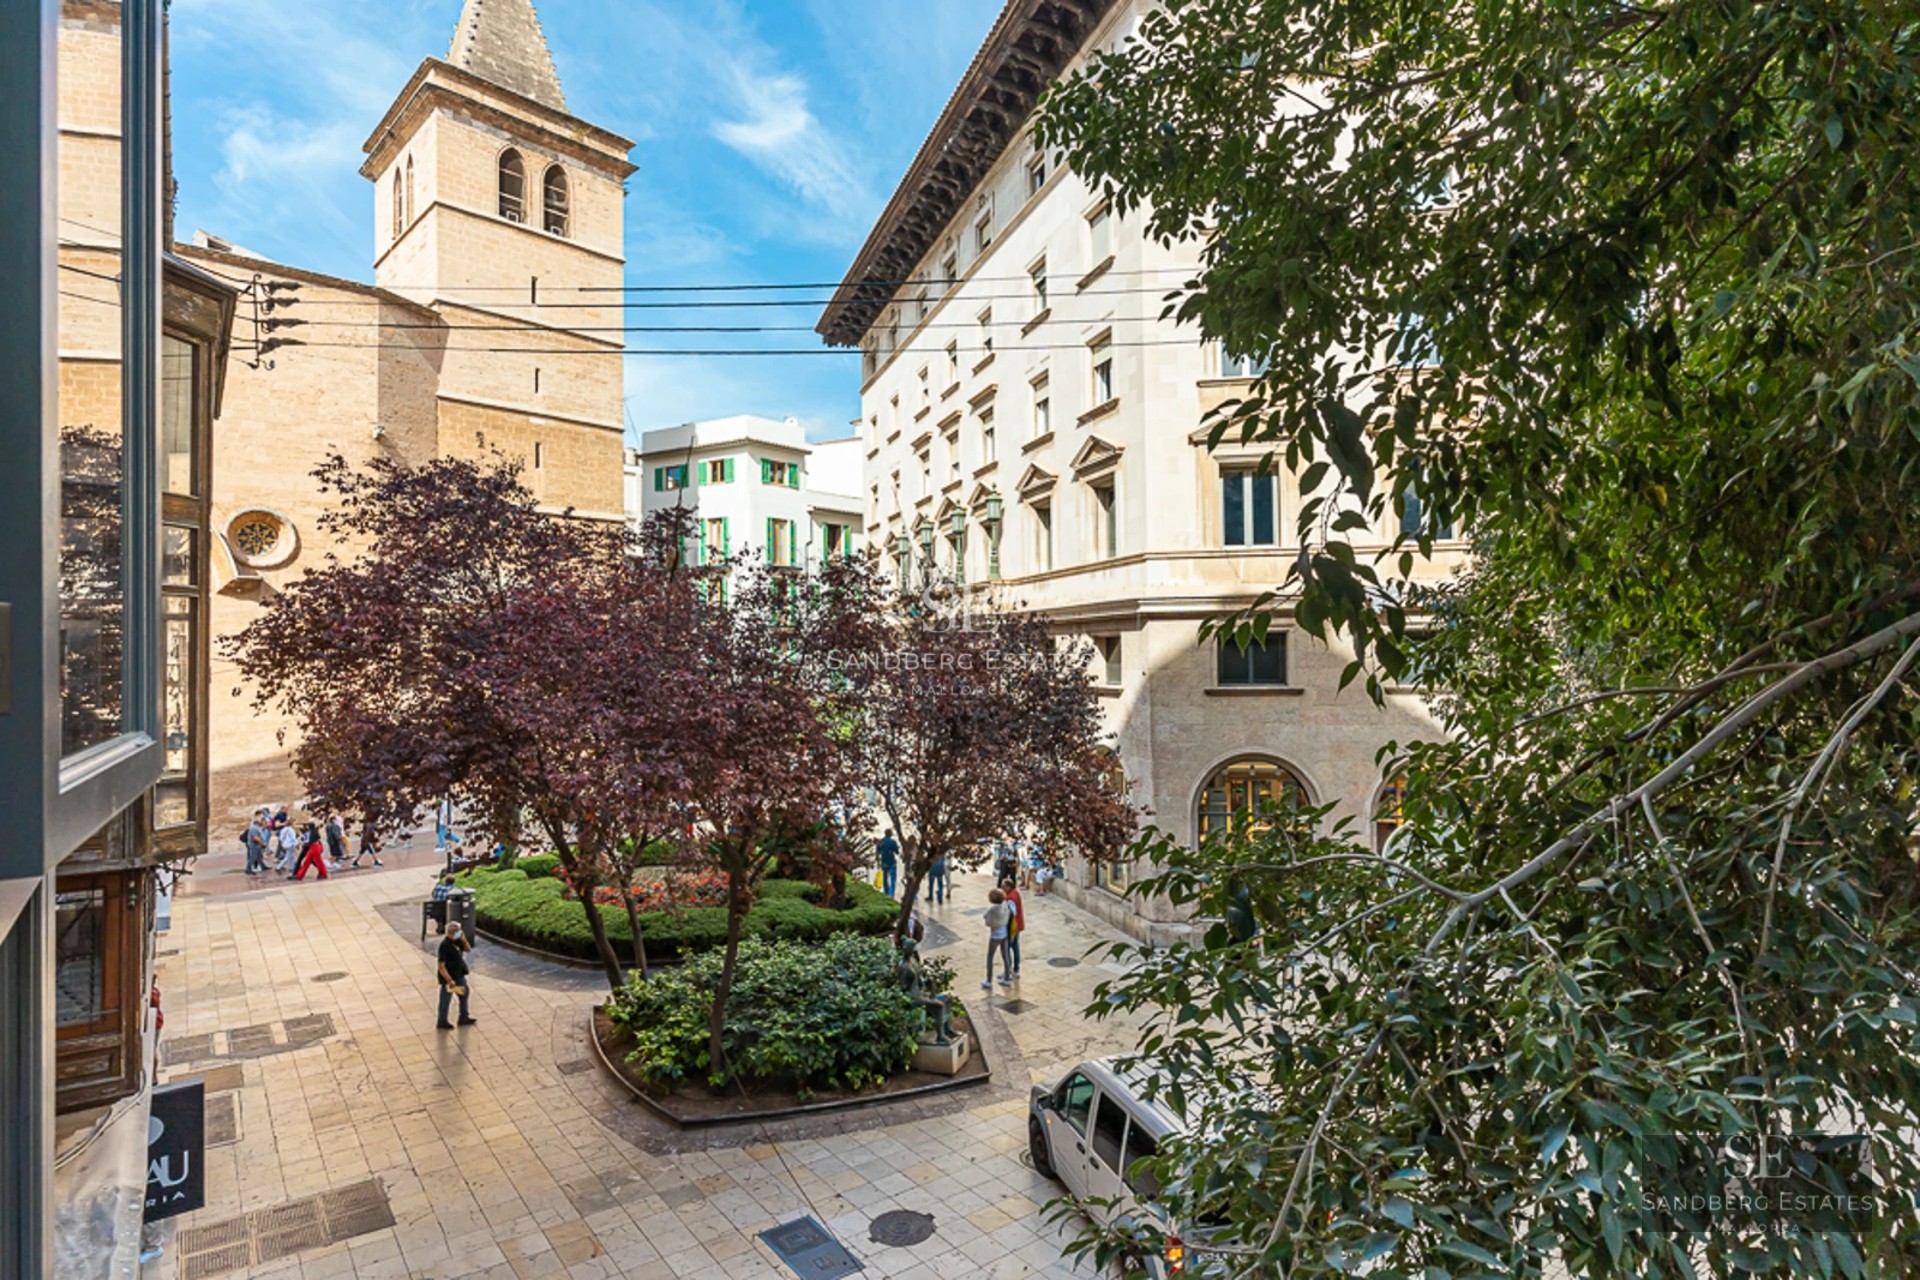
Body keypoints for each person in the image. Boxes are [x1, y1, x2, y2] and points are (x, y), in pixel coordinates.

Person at [436, 921, 476, 1028]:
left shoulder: (458, 941)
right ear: (453, 932)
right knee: (446, 999)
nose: (461, 932)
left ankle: (464, 1016)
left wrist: (463, 938)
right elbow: (441, 966)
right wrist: (449, 979)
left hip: (459, 975)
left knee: (464, 993)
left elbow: (468, 949)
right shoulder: (445, 946)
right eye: (459, 931)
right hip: (450, 979)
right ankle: (442, 1021)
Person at [981, 888, 1013, 989]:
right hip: (1004, 934)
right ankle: (1007, 977)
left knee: (990, 956)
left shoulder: (993, 909)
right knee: (1005, 955)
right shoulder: (1005, 904)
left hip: (995, 935)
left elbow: (985, 917)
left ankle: (989, 980)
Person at [1001, 877, 1025, 978]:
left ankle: (1009, 970)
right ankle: (1015, 969)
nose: (1002, 888)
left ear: (1008, 886)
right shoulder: (1015, 893)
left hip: (1012, 927)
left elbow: (1012, 913)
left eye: (1004, 886)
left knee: (1007, 948)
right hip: (1017, 925)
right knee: (1015, 947)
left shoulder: (1010, 898)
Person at [243, 809, 270, 876]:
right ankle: (248, 869)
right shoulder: (253, 828)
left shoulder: (258, 827)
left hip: (257, 845)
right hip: (253, 845)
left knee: (259, 856)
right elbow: (255, 838)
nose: (263, 820)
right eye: (262, 819)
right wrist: (262, 843)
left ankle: (263, 866)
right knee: (253, 857)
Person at [876, 830, 900, 898]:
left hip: (884, 862)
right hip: (892, 862)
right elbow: (897, 852)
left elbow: (877, 853)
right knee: (893, 879)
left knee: (885, 878)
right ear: (890, 834)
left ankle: (886, 893)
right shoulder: (893, 842)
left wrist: (878, 862)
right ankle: (891, 894)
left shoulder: (880, 841)